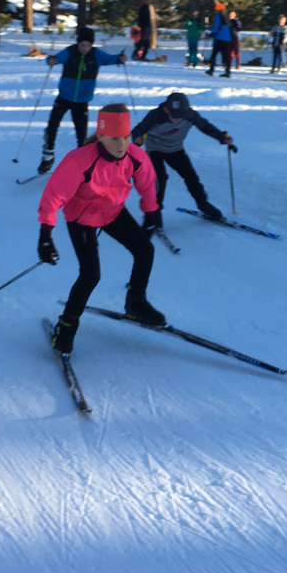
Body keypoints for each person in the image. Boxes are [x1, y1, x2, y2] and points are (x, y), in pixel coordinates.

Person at [38, 103, 164, 353]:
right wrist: (45, 234)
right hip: (82, 218)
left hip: (113, 211)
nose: (122, 144)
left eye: (127, 137)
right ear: (101, 135)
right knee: (91, 275)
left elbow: (148, 184)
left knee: (145, 251)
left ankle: (136, 302)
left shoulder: (135, 157)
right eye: (115, 138)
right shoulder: (79, 160)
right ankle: (66, 327)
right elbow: (53, 197)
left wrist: (151, 212)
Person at [131, 91, 232, 223]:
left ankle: (203, 203)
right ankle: (154, 212)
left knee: (191, 176)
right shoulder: (155, 115)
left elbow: (205, 126)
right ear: (166, 109)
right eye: (176, 116)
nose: (179, 119)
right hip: (155, 149)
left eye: (182, 116)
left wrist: (221, 137)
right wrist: (137, 139)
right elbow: (139, 129)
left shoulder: (190, 115)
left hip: (176, 148)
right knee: (159, 180)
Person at [39, 25, 126, 174]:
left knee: (82, 136)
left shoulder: (96, 54)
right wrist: (51, 60)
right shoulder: (70, 51)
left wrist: (120, 58)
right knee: (52, 126)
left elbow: (110, 59)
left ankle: (82, 166)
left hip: (82, 101)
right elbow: (56, 58)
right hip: (64, 97)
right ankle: (48, 158)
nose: (85, 48)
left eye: (88, 45)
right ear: (78, 43)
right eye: (82, 45)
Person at [206, 3, 233, 78]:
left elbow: (216, 28)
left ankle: (211, 70)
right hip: (228, 38)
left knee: (214, 54)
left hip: (220, 38)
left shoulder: (218, 16)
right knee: (225, 55)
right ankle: (228, 71)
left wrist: (210, 30)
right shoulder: (226, 16)